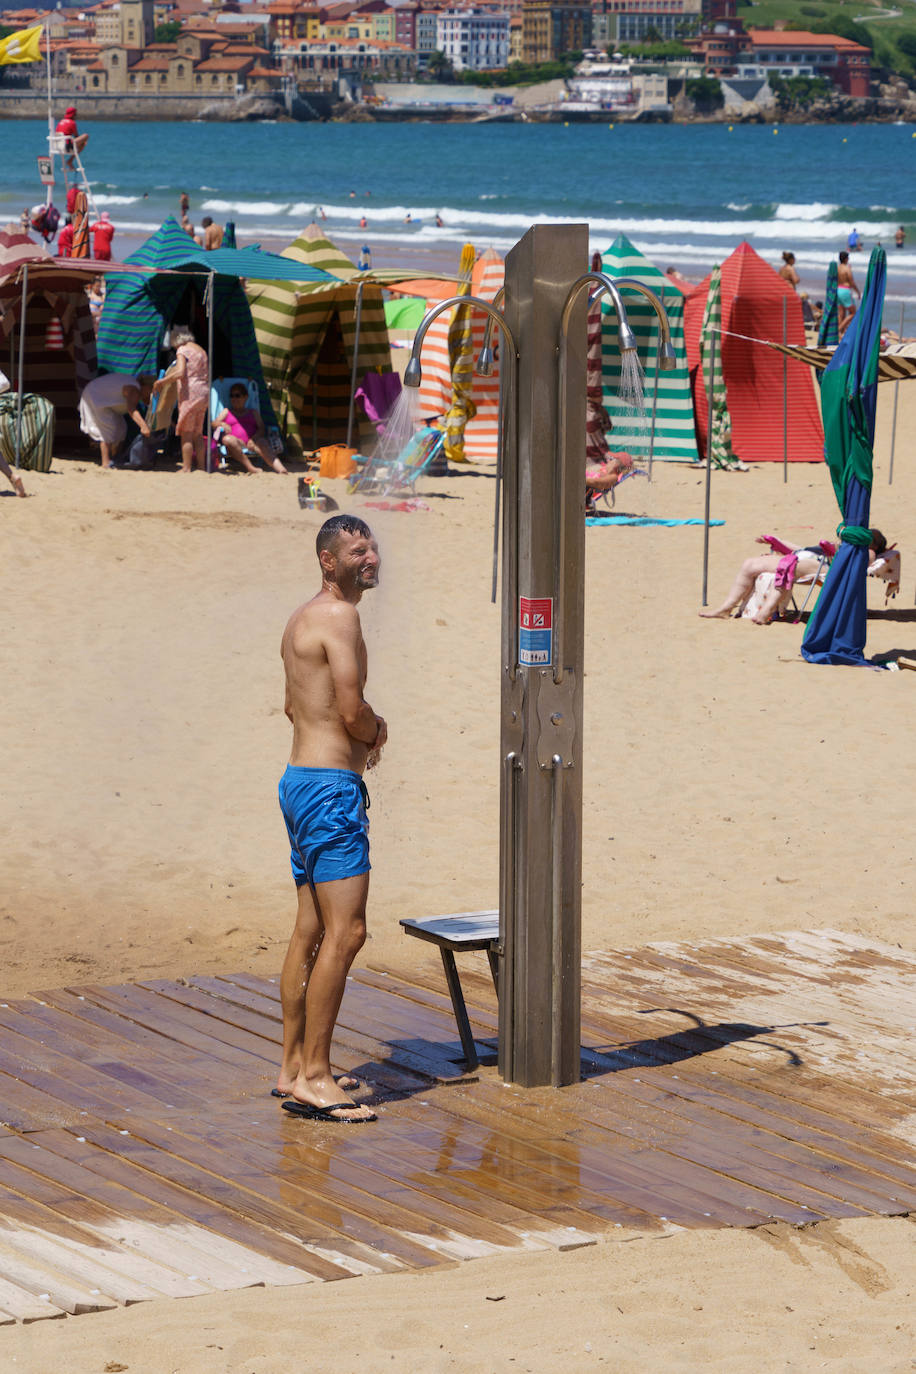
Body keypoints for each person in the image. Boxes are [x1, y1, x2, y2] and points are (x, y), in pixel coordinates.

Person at [275, 515, 385, 1125]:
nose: (370, 557)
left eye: (371, 547)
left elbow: (294, 704)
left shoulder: (301, 617)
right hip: (329, 790)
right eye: (356, 551)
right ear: (327, 561)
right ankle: (315, 1078)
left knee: (309, 930)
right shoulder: (340, 617)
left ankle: (292, 1064)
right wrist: (378, 733)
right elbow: (350, 708)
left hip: (298, 781)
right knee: (347, 934)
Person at [699, 531, 887, 624]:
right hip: (805, 556)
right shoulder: (847, 545)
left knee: (787, 565)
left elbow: (856, 566)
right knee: (749, 564)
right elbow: (800, 549)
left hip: (824, 566)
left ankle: (766, 612)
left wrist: (838, 551)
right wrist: (776, 541)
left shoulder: (867, 552)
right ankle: (726, 608)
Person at [154, 326, 208, 472]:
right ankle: (202, 467)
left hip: (190, 393)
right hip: (204, 392)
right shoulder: (201, 350)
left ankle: (186, 467)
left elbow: (180, 372)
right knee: (198, 432)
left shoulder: (182, 350)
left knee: (187, 432)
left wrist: (162, 382)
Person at [78, 373, 154, 468]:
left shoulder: (135, 387)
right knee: (108, 429)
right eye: (151, 390)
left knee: (121, 428)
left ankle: (116, 457)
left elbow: (147, 403)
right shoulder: (134, 389)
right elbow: (131, 409)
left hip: (100, 397)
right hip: (95, 396)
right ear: (146, 386)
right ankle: (105, 462)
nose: (152, 393)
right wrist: (144, 426)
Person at [212, 383, 288, 474]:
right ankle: (250, 467)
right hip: (236, 443)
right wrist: (222, 424)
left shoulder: (253, 412)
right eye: (231, 396)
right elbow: (213, 423)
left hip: (253, 442)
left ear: (245, 397)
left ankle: (281, 469)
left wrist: (253, 439)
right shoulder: (227, 411)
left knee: (263, 442)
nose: (234, 399)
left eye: (237, 395)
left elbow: (261, 428)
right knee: (227, 439)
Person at [837, 250, 860, 338]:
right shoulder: (847, 269)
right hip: (845, 291)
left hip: (838, 289)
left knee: (841, 313)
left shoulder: (837, 268)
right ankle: (839, 329)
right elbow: (852, 282)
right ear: (846, 259)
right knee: (853, 313)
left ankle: (841, 333)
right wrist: (857, 292)